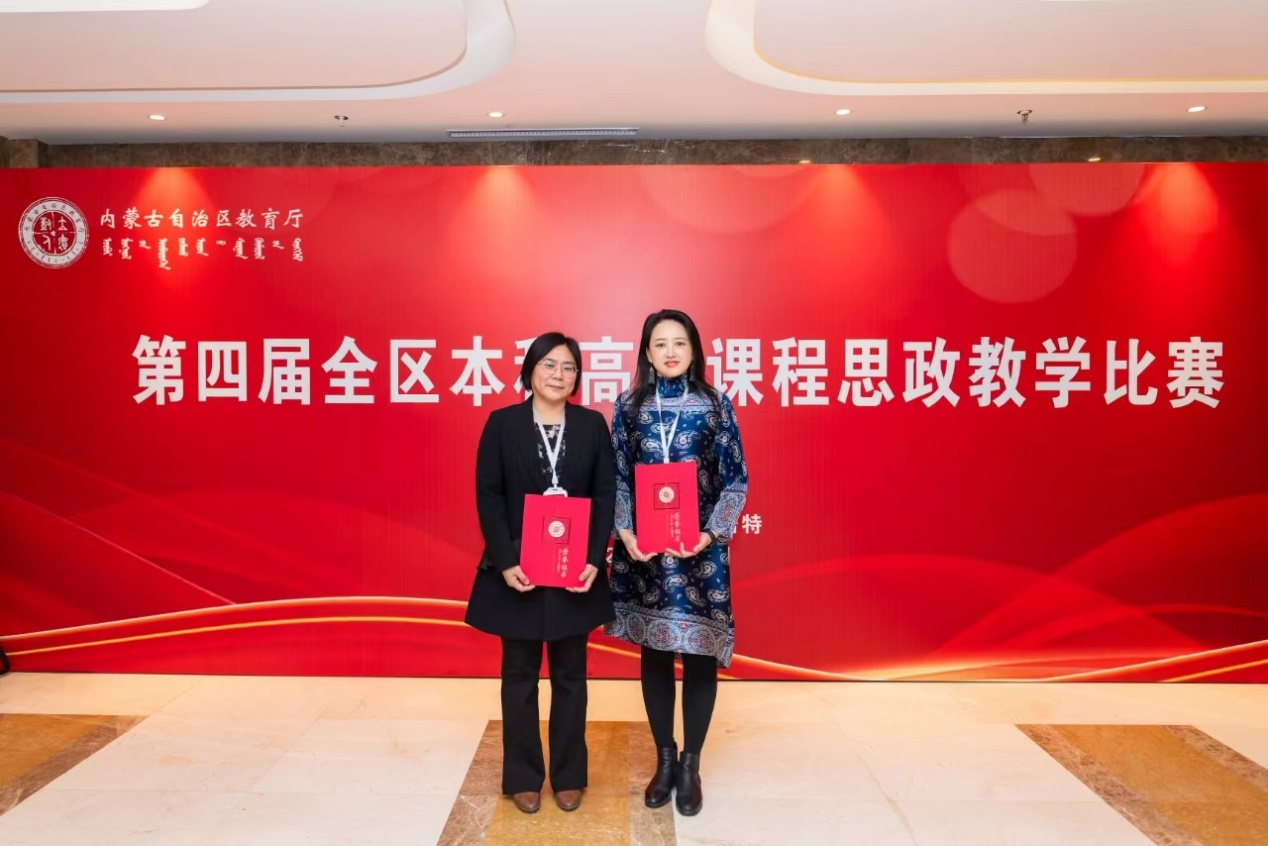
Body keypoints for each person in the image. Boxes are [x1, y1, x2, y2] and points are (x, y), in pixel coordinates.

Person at [465, 331, 616, 815]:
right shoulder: (502, 424)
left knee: (571, 676)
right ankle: (523, 777)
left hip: (574, 571)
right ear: (530, 370)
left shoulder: (591, 425)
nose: (558, 375)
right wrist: (505, 561)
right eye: (549, 364)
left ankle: (569, 775)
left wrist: (593, 558)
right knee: (519, 676)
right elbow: (488, 495)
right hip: (520, 570)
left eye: (569, 367)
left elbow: (605, 495)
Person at [605, 309, 749, 816]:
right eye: (660, 343)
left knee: (700, 656)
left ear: (694, 350)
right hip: (647, 553)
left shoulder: (715, 405)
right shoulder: (628, 407)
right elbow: (618, 477)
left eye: (679, 343)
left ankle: (691, 764)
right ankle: (664, 758)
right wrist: (625, 531)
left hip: (699, 554)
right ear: (647, 352)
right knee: (656, 653)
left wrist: (711, 533)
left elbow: (736, 480)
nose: (670, 352)